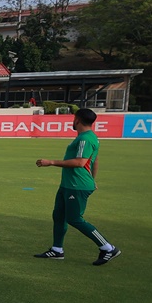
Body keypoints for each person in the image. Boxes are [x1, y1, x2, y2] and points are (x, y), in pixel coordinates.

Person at [33, 108, 121, 265]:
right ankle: (57, 250)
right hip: (69, 184)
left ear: (77, 120)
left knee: (74, 219)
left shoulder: (85, 139)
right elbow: (95, 160)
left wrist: (51, 162)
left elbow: (80, 162)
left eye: (74, 118)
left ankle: (108, 247)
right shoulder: (87, 137)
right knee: (59, 215)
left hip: (77, 185)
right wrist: (93, 179)